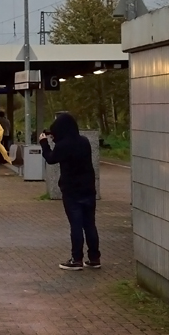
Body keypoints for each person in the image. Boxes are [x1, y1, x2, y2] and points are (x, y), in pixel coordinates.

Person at [40, 112, 100, 271]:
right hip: (88, 188)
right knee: (90, 224)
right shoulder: (84, 141)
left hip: (72, 190)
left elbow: (51, 158)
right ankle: (94, 258)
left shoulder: (63, 145)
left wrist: (44, 143)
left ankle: (76, 259)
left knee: (76, 225)